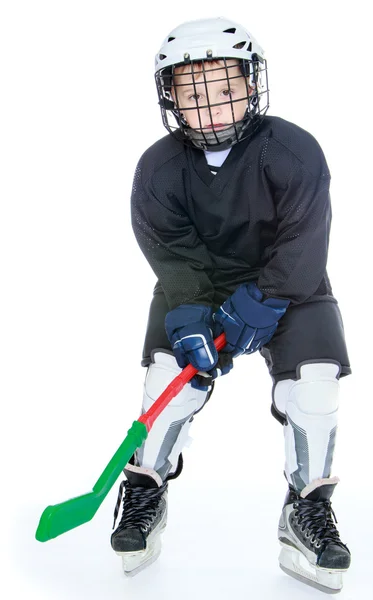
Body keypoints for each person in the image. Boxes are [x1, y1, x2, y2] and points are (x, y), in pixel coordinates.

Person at [110, 16, 352, 593]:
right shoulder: (160, 168)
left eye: (226, 89)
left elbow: (305, 238)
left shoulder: (292, 149)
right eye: (196, 94)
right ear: (172, 100)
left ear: (252, 85)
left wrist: (264, 300)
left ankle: (307, 508)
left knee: (313, 386)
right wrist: (191, 308)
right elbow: (171, 251)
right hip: (198, 285)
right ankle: (144, 490)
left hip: (291, 286)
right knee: (170, 380)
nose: (214, 106)